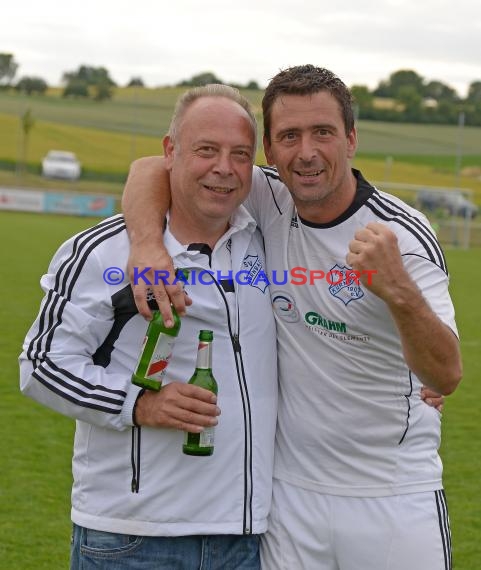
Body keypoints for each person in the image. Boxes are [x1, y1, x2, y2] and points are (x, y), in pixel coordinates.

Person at [121, 65, 462, 570]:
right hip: (287, 500)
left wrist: (400, 293)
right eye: (289, 137)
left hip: (392, 494)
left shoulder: (402, 236)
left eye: (322, 133)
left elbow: (446, 375)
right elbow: (151, 167)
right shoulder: (268, 194)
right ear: (270, 153)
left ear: (351, 140)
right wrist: (147, 244)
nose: (306, 153)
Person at [19, 84, 278, 570]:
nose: (224, 167)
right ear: (169, 152)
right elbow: (39, 366)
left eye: (240, 154)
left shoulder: (271, 239)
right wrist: (139, 404)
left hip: (247, 537)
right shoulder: (101, 253)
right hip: (134, 538)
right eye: (206, 150)